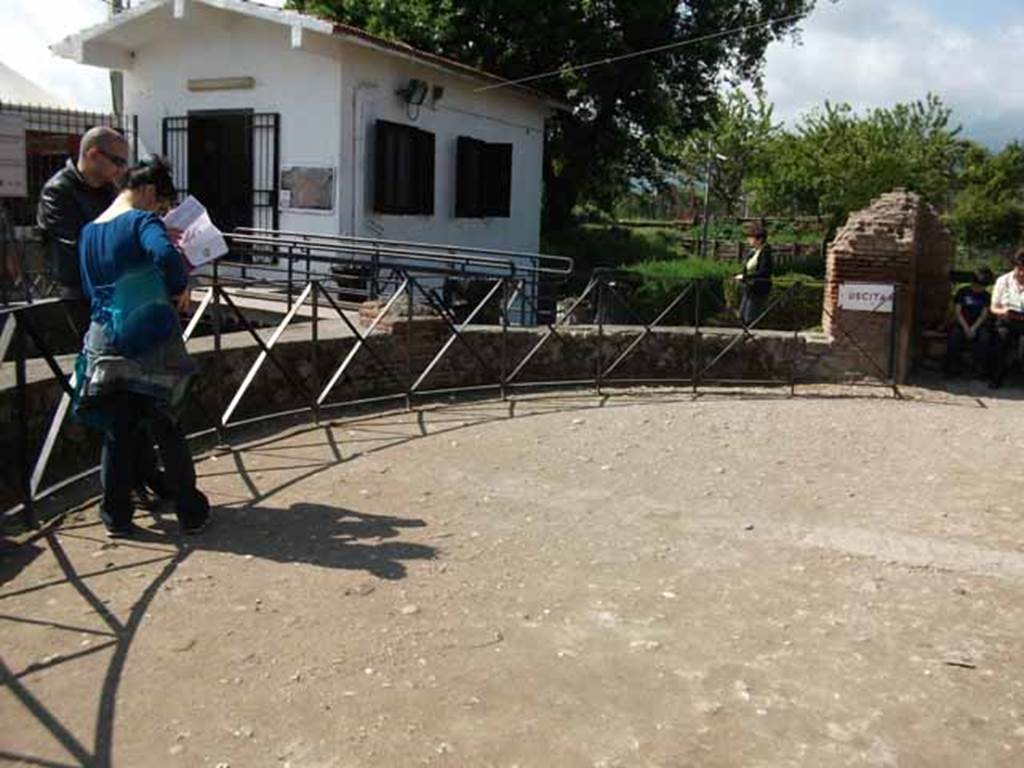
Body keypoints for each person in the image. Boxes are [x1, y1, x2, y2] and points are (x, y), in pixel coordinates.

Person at [74, 156, 210, 538]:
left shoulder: (88, 231)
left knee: (118, 431)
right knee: (167, 424)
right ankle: (190, 511)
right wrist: (179, 287)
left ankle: (116, 516)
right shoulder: (141, 220)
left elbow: (87, 287)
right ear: (148, 191)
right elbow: (166, 256)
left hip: (104, 336)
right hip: (148, 335)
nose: (161, 212)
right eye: (161, 204)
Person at [37, 126, 130, 332]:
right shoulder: (58, 190)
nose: (122, 169)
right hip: (79, 289)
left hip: (112, 285)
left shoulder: (110, 191)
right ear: (93, 155)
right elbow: (72, 244)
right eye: (118, 161)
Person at [943, 266, 994, 377]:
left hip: (978, 324)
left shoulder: (986, 296)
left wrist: (974, 328)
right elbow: (958, 311)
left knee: (984, 339)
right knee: (954, 337)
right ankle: (952, 368)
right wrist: (966, 327)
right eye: (977, 285)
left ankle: (979, 369)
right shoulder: (963, 292)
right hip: (962, 322)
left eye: (982, 286)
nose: (978, 288)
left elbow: (984, 314)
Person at [988, 249, 1024, 389]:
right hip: (1006, 320)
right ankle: (996, 378)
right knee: (1001, 340)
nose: (1022, 273)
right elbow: (993, 307)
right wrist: (1004, 311)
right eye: (1020, 269)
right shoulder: (1003, 281)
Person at [735, 223, 773, 327]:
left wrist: (745, 277)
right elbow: (747, 268)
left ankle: (752, 340)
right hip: (750, 288)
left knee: (750, 317)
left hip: (758, 289)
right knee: (742, 315)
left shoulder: (765, 252)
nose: (748, 240)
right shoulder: (753, 252)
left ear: (759, 239)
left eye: (751, 238)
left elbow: (764, 271)